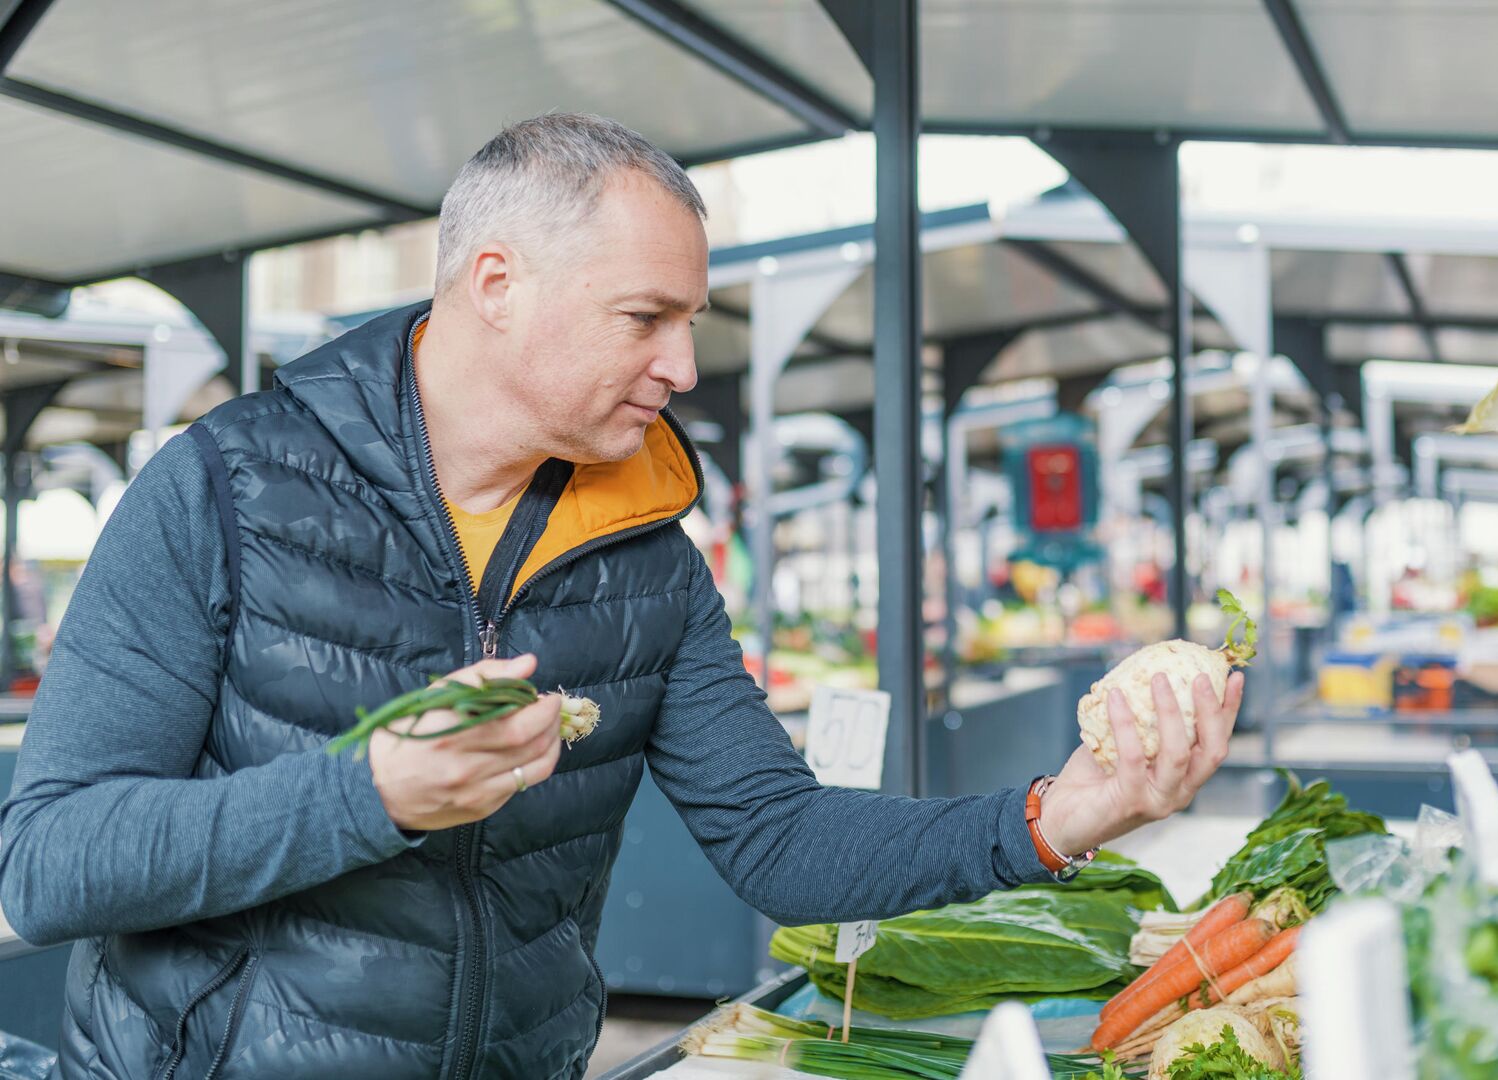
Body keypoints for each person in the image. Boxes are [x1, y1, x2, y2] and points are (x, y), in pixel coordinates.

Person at [0, 114, 1242, 1079]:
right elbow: (50, 864)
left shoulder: (647, 551)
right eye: (645, 316)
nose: (683, 365)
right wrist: (366, 794)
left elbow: (779, 839)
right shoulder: (220, 489)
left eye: (692, 319)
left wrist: (1056, 816)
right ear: (497, 284)